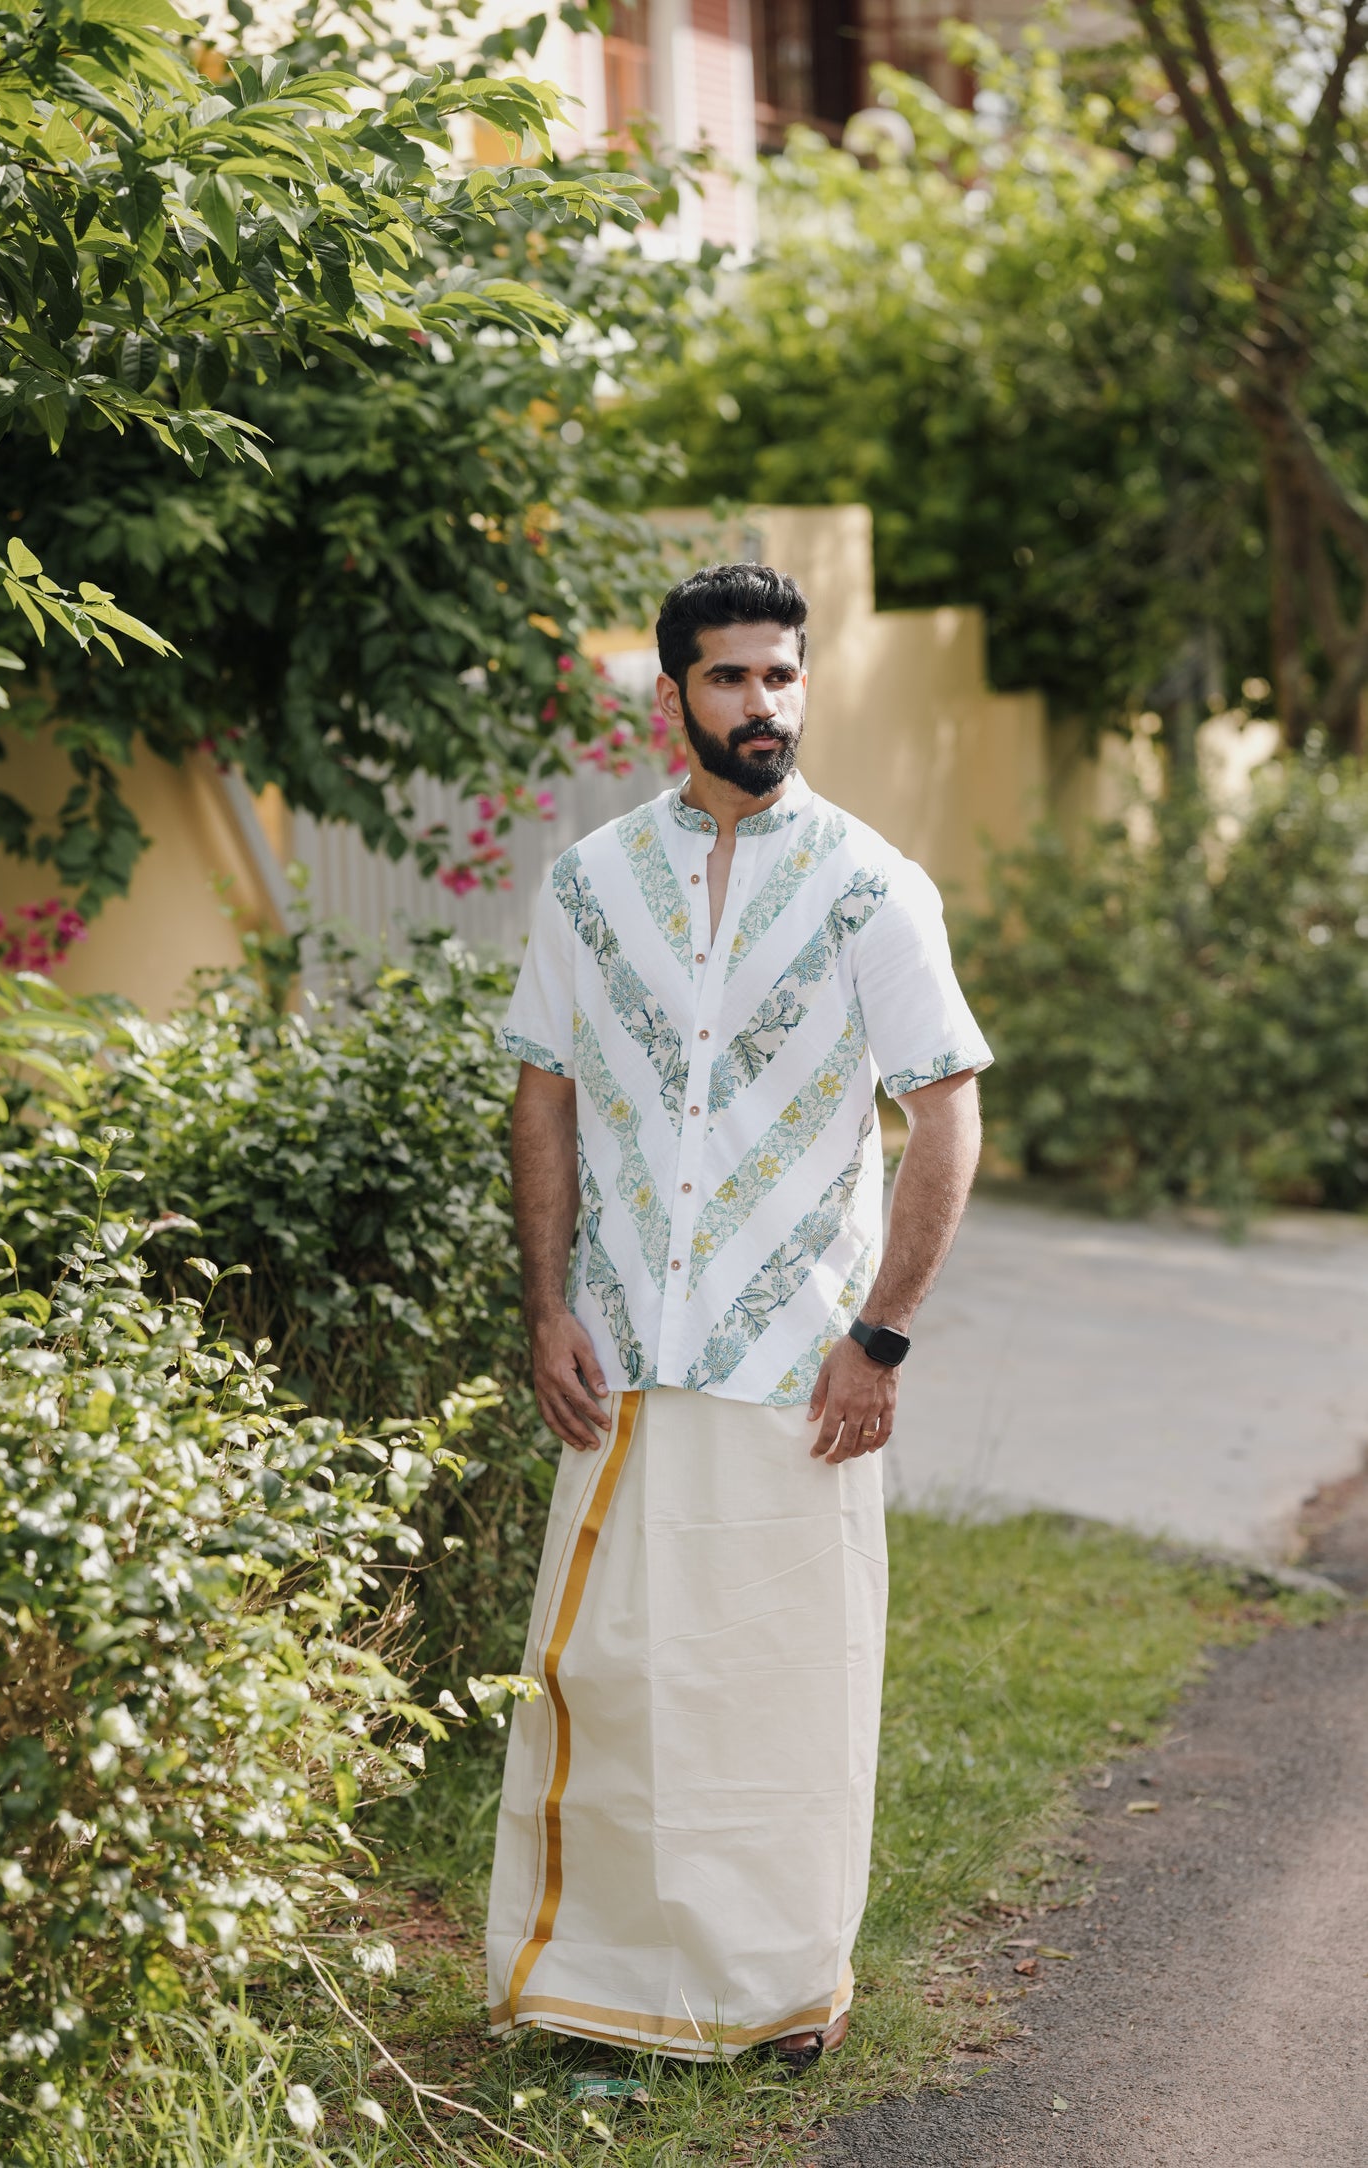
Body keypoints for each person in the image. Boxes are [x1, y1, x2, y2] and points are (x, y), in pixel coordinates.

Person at [484, 562, 990, 2066]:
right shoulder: (588, 884)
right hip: (622, 1349)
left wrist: (880, 1335)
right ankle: (599, 1996)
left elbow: (944, 1119)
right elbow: (543, 1095)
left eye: (780, 676)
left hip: (796, 1369)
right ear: (673, 696)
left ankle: (775, 1997)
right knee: (618, 1675)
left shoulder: (869, 885)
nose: (760, 704)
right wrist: (546, 1308)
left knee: (778, 1692)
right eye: (729, 678)